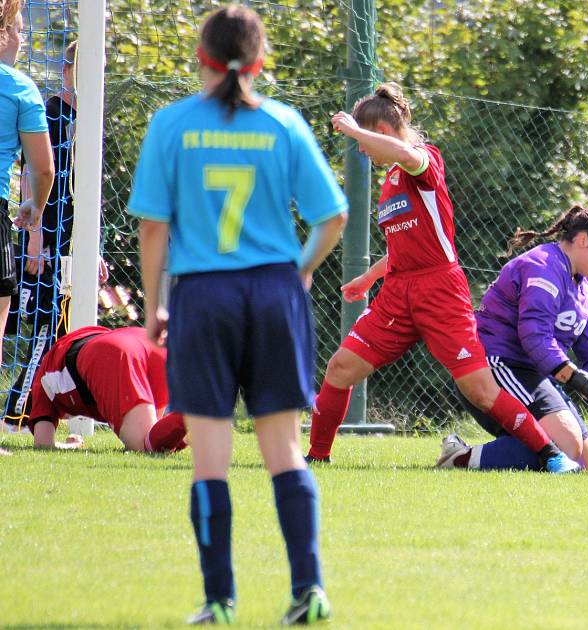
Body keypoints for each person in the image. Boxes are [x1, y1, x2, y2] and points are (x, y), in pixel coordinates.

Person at [129, 5, 348, 625]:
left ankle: (219, 602)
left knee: (210, 457)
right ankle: (309, 591)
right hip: (273, 292)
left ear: (201, 55)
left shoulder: (171, 125)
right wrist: (299, 271)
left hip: (204, 295)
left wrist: (154, 307)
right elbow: (333, 217)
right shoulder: (282, 122)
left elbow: (152, 225)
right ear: (259, 60)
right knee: (284, 450)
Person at [305, 82, 580, 474]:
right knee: (340, 368)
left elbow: (403, 152)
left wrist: (351, 128)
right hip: (399, 292)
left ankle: (552, 455)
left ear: (381, 132)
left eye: (365, 143)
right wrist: (368, 278)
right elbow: (406, 242)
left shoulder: (423, 161)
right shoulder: (390, 184)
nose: (362, 151)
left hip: (440, 290)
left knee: (481, 391)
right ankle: (317, 457)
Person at [437, 205, 588, 471]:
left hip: (533, 374)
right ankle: (460, 458)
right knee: (565, 446)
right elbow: (534, 336)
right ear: (583, 240)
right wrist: (578, 379)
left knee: (581, 461)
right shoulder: (543, 266)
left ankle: (503, 450)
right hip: (498, 366)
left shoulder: (585, 287)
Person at [4, 39, 109, 428]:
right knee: (45, 332)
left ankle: (53, 416)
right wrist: (34, 239)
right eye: (84, 67)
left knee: (66, 331)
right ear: (67, 71)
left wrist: (91, 249)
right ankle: (17, 413)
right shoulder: (51, 113)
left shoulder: (91, 122)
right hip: (45, 241)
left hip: (71, 244)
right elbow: (35, 174)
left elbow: (85, 195)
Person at [0, 0, 55, 454]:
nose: (23, 38)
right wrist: (34, 209)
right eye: (18, 29)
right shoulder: (19, 89)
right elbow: (44, 169)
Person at [27, 325, 187, 453]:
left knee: (143, 447)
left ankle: (204, 410)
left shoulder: (42, 384)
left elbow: (43, 444)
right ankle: (203, 422)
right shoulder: (63, 351)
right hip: (148, 342)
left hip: (112, 352)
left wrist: (70, 446)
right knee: (156, 441)